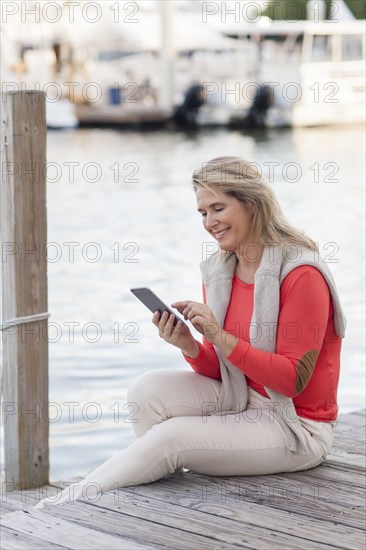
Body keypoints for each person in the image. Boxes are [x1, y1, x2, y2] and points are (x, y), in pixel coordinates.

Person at [35, 156, 345, 509]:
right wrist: (192, 347)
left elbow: (291, 381)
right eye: (202, 213)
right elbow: (227, 369)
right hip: (241, 396)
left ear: (252, 203)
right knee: (145, 391)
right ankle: (166, 484)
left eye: (218, 208)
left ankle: (69, 502)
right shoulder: (221, 269)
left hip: (295, 425)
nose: (210, 222)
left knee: (171, 437)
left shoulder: (301, 274)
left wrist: (221, 337)